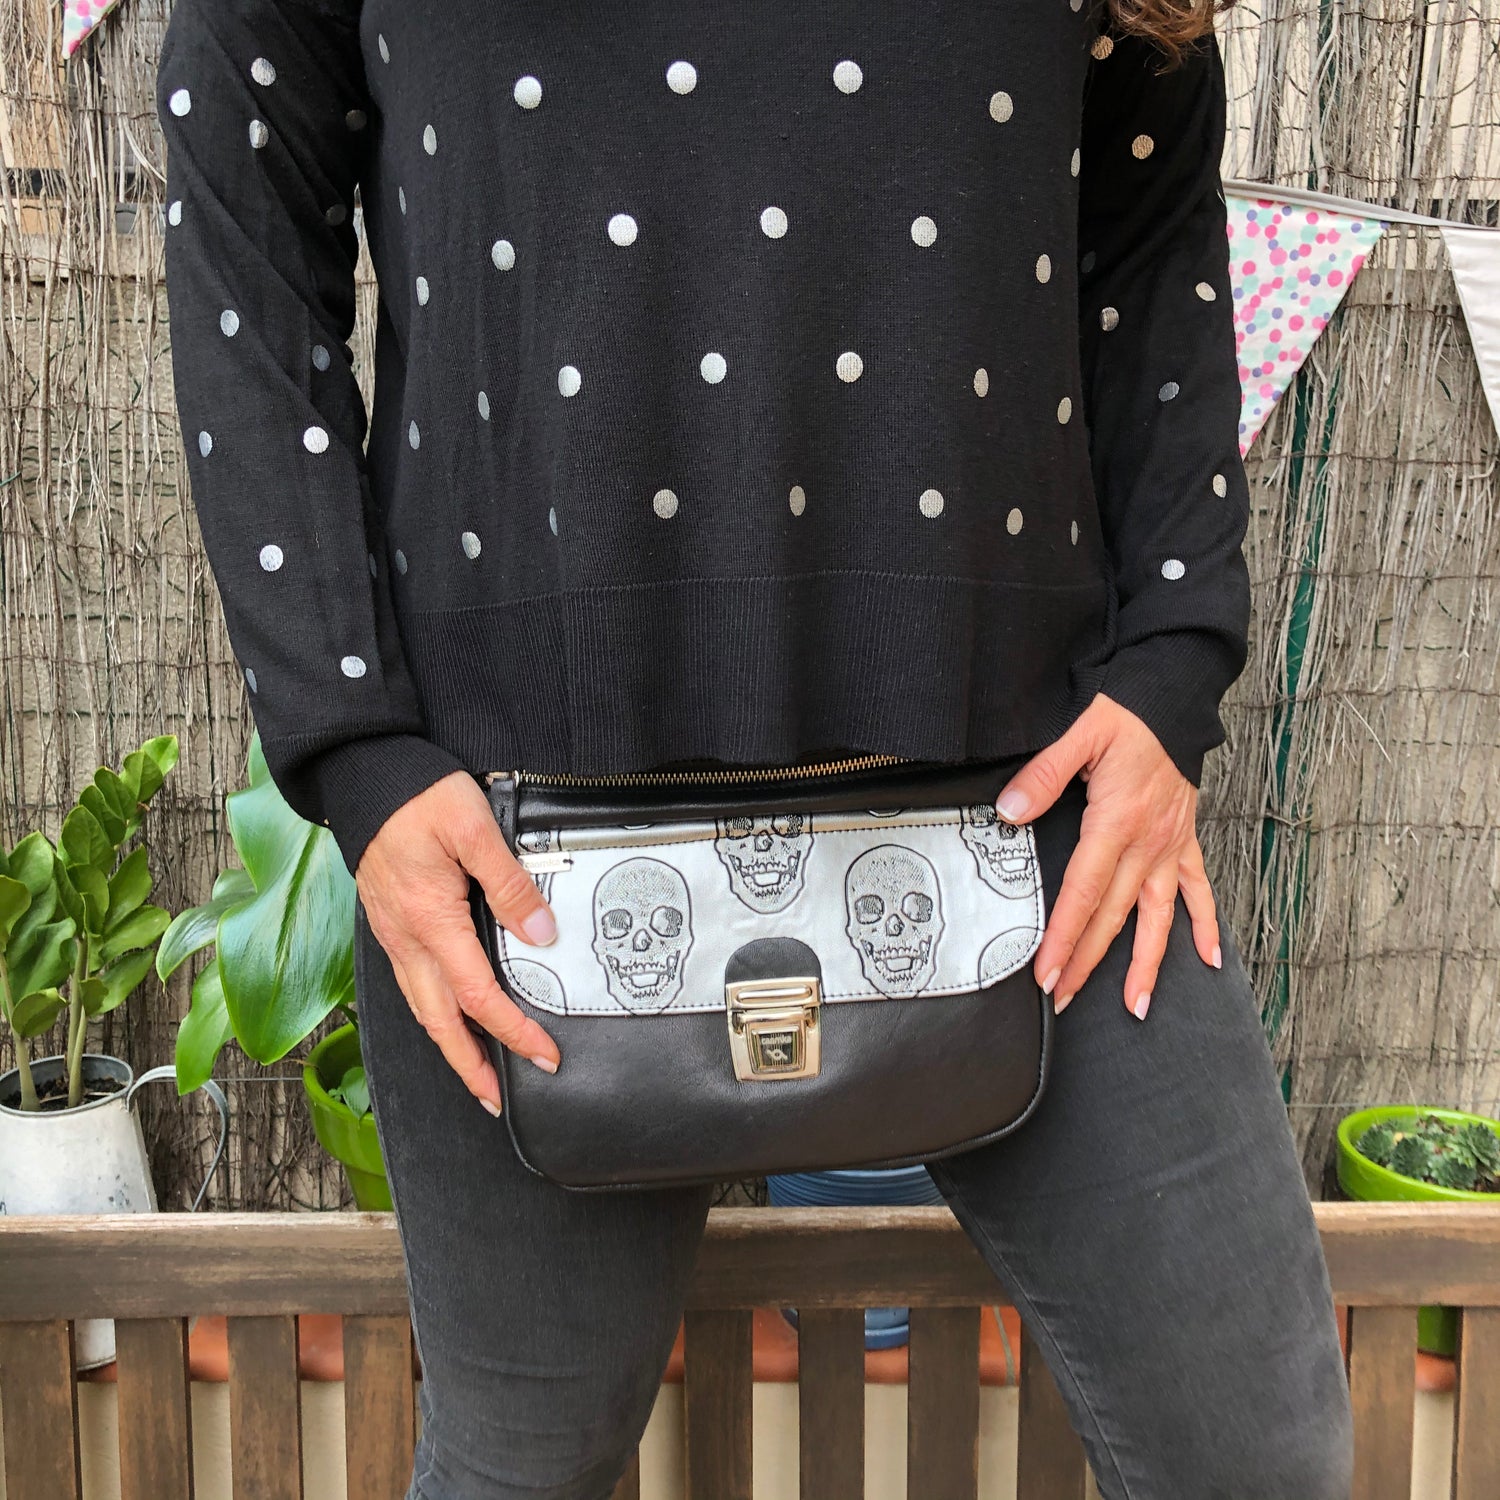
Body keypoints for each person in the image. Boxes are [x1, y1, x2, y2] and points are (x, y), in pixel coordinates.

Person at [156, 1, 1355, 1495]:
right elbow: (243, 249)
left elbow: (1149, 236)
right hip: (519, 850)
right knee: (526, 1465)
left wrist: (1175, 659)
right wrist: (358, 752)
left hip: (1043, 805)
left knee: (1258, 1457)